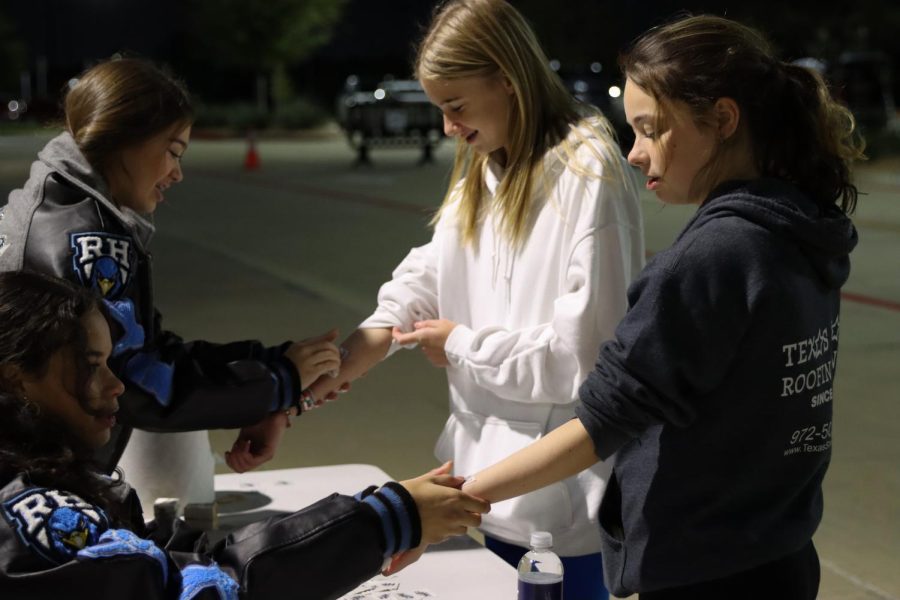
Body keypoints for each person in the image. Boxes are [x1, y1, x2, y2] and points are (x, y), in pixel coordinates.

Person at [436, 14, 865, 599]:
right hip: (781, 556)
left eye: (648, 129)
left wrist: (464, 496)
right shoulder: (797, 232)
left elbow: (601, 423)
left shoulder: (715, 258)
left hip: (707, 574)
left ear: (721, 120)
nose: (634, 154)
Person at [309, 1, 645, 597]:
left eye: (456, 106)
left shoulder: (588, 174)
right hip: (482, 496)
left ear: (509, 82)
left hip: (560, 521)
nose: (447, 128)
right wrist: (371, 341)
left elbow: (586, 366)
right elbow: (434, 267)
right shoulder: (486, 166)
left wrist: (463, 347)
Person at [0, 270, 491, 600]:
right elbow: (200, 590)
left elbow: (152, 565)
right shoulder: (31, 519)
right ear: (17, 377)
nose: (116, 386)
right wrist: (382, 522)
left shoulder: (39, 470)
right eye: (91, 367)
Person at [0, 57, 336, 498]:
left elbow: (148, 349)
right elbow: (133, 384)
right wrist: (276, 382)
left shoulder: (55, 204)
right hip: (31, 483)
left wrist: (271, 366)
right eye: (173, 152)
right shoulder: (85, 241)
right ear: (124, 137)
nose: (177, 173)